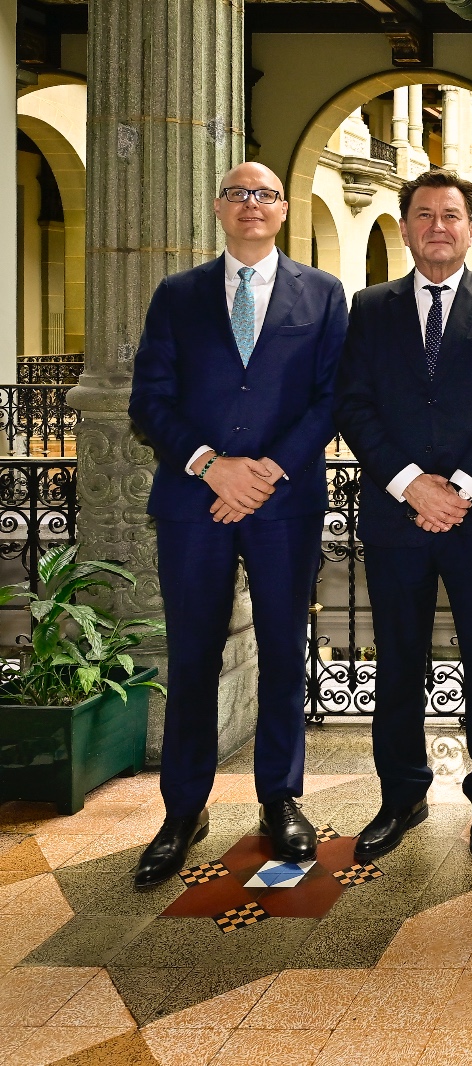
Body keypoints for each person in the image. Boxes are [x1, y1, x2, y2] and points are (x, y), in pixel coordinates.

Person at [128, 162, 348, 887]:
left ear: (283, 210)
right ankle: (183, 811)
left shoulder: (321, 295)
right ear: (219, 207)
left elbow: (328, 400)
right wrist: (209, 465)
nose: (251, 205)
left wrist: (263, 472)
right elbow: (149, 399)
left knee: (285, 652)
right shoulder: (178, 295)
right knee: (192, 657)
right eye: (238, 194)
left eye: (266, 194)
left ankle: (279, 798)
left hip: (282, 502)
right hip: (195, 503)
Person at [335, 170, 472, 861]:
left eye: (451, 215)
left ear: (470, 228)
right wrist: (408, 485)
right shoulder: (370, 307)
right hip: (397, 520)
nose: (438, 226)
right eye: (424, 215)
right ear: (405, 227)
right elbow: (353, 404)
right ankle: (402, 796)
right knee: (397, 664)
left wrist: (460, 489)